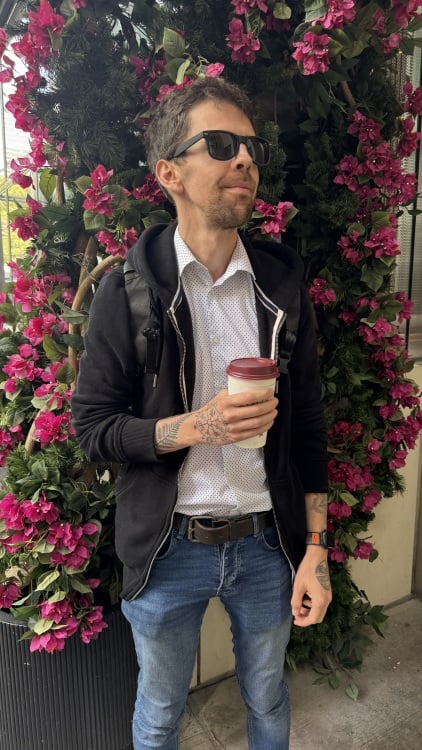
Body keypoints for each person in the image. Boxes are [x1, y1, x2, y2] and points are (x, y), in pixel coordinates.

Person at [71, 76, 332, 750]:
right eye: (220, 145)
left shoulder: (281, 285)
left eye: (250, 147)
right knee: (159, 716)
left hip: (268, 547)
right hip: (166, 551)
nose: (244, 159)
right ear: (170, 173)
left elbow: (307, 430)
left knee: (270, 702)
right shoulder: (128, 290)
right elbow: (93, 432)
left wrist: (317, 552)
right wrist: (193, 427)